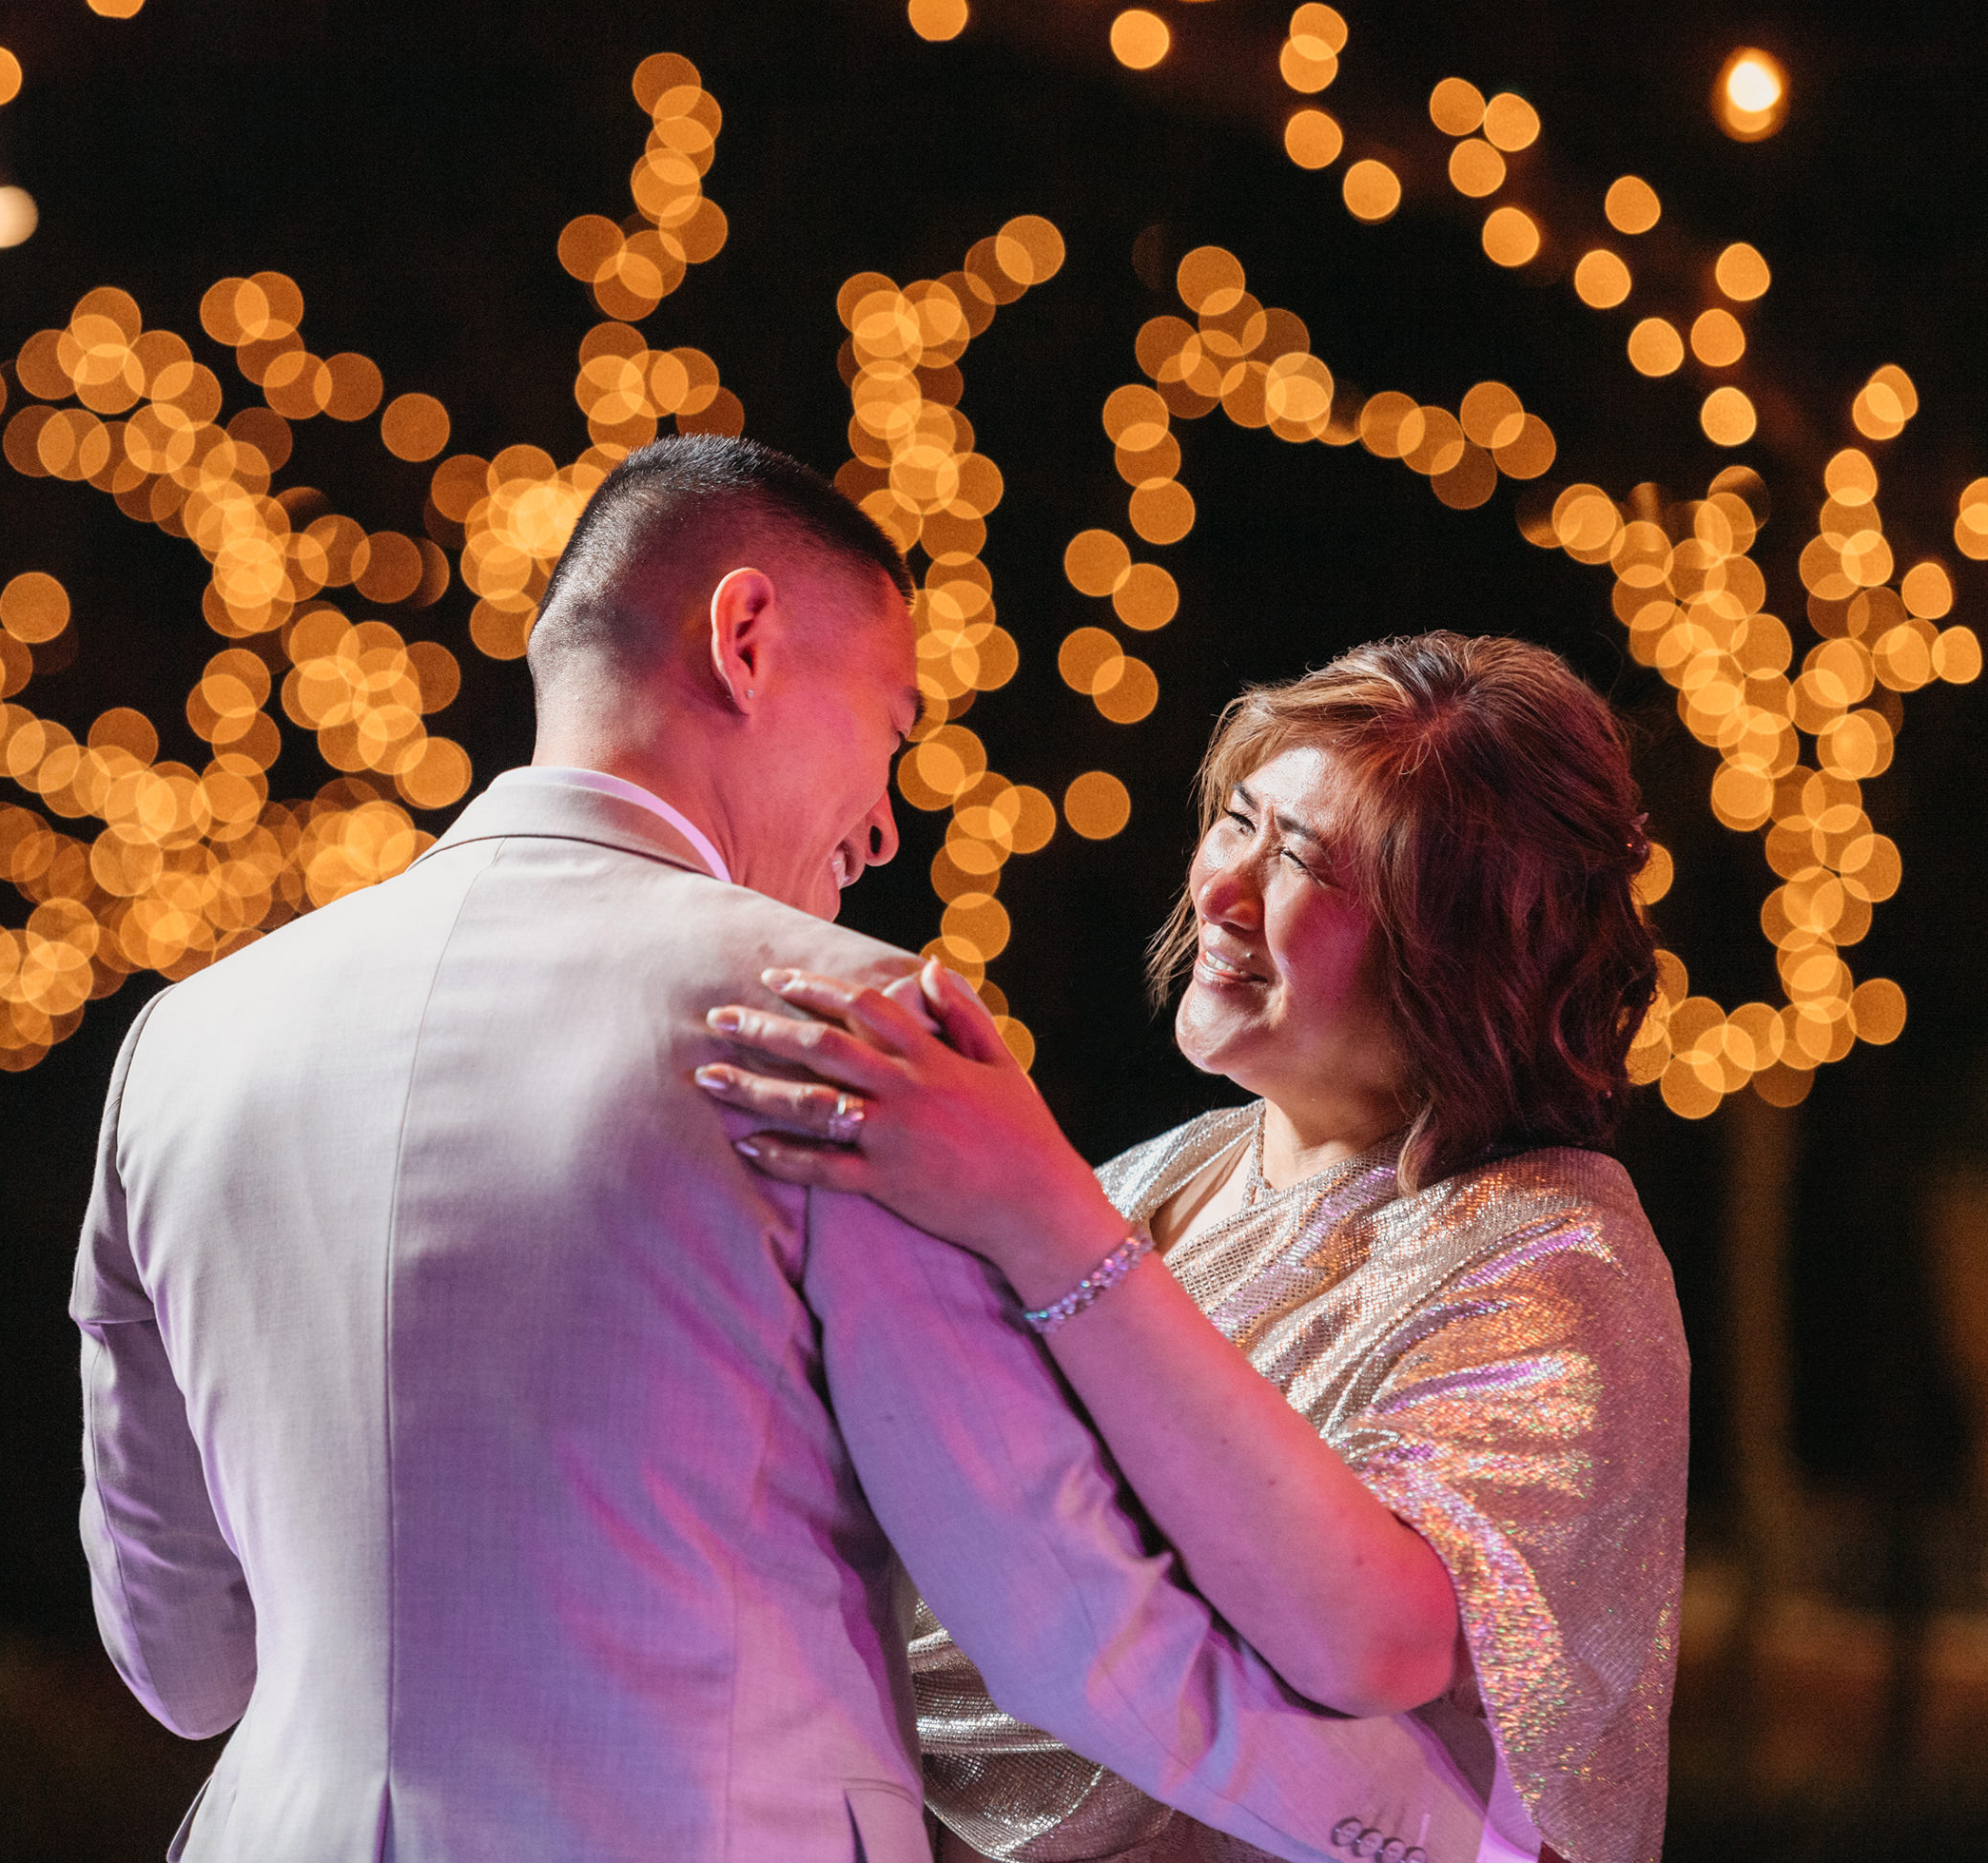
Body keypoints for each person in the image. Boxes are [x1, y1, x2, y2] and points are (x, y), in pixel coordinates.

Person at [73, 438, 1489, 1863]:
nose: (879, 824)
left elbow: (183, 1662)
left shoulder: (183, 1044)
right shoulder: (840, 1029)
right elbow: (1068, 1628)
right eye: (886, 728)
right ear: (745, 640)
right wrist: (1441, 1844)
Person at [695, 633, 1690, 1863]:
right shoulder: (1183, 1168)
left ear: (1461, 950)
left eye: (1307, 862)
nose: (1223, 891)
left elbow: (1370, 1639)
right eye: (1237, 821)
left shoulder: (1553, 1257)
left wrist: (1033, 1206)